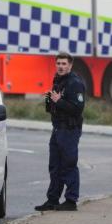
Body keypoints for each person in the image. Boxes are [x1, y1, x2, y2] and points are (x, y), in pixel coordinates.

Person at [34, 52, 86, 212]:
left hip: (69, 130)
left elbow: (78, 109)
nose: (61, 67)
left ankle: (71, 200)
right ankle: (52, 199)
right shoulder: (58, 80)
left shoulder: (75, 83)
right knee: (54, 166)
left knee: (68, 165)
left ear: (70, 65)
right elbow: (51, 107)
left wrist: (59, 101)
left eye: (64, 64)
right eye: (58, 64)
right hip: (57, 129)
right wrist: (49, 99)